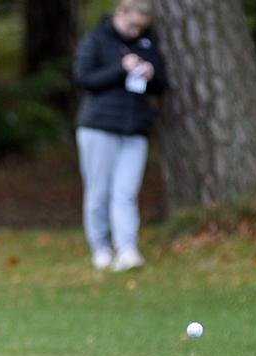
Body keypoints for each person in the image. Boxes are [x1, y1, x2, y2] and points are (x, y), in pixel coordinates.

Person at [73, 0, 167, 271]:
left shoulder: (147, 43)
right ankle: (100, 248)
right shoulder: (96, 40)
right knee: (98, 191)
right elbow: (84, 78)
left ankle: (127, 248)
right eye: (131, 24)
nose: (135, 31)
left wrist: (151, 72)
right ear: (120, 14)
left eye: (141, 27)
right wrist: (121, 68)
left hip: (135, 129)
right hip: (98, 127)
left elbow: (162, 83)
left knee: (126, 191)